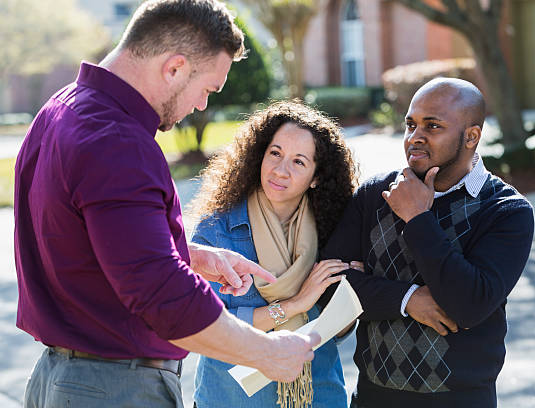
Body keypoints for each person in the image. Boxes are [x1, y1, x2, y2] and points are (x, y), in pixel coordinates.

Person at [14, 1, 319, 407]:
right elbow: (162, 297)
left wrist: (187, 255)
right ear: (174, 67)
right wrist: (269, 353)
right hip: (115, 388)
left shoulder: (60, 109)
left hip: (61, 378)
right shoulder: (118, 142)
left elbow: (80, 239)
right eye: (207, 89)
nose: (202, 105)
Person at [319, 78, 535, 408]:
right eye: (410, 124)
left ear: (471, 136)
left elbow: (469, 304)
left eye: (432, 126)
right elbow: (328, 285)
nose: (415, 137)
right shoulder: (375, 194)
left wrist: (417, 219)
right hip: (372, 398)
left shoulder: (506, 211)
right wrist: (407, 298)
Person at [188, 100, 360, 408]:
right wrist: (296, 304)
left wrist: (352, 295)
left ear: (317, 177)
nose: (280, 171)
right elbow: (210, 328)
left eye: (298, 162)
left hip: (318, 396)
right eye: (275, 153)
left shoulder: (334, 232)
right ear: (260, 155)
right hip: (232, 400)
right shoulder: (218, 230)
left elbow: (340, 331)